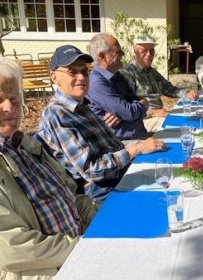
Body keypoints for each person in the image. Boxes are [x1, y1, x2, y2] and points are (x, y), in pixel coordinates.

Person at [0, 59, 98, 279]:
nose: (9, 107)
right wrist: (86, 247)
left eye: (14, 98)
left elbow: (72, 194)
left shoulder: (25, 145)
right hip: (47, 271)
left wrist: (103, 221)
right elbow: (14, 249)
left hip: (78, 248)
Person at [37, 45, 167, 203]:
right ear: (54, 77)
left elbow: (131, 105)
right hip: (102, 189)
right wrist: (137, 149)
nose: (81, 77)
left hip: (120, 171)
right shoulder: (57, 114)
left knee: (168, 164)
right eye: (72, 71)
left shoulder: (82, 105)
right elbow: (92, 170)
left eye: (85, 72)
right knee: (167, 193)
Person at [120, 35, 198, 132]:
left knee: (193, 122)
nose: (149, 54)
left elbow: (170, 89)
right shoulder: (128, 74)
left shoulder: (152, 72)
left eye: (152, 51)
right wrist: (151, 113)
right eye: (144, 50)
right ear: (135, 51)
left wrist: (187, 93)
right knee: (185, 130)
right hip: (144, 121)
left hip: (160, 116)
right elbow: (125, 108)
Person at [87, 33, 150, 146]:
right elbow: (129, 113)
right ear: (102, 56)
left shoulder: (117, 76)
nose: (123, 54)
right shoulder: (97, 83)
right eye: (117, 51)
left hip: (137, 136)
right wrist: (129, 109)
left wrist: (138, 104)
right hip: (121, 143)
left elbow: (137, 101)